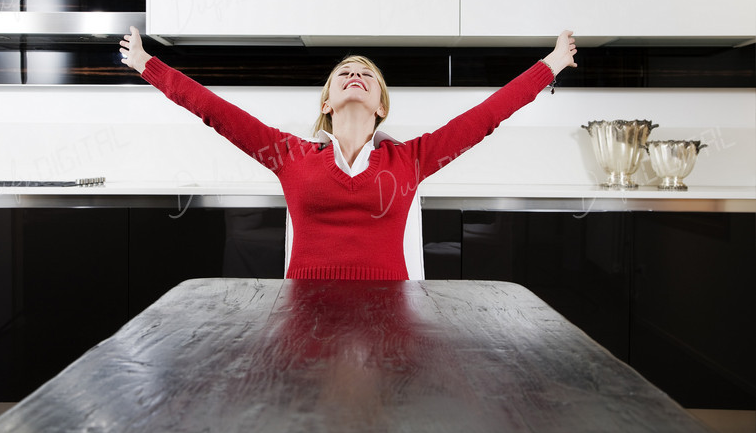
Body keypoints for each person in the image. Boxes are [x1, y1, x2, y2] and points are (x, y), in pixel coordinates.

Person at [119, 27, 577, 280]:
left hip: (391, 322)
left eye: (366, 73)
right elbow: (214, 111)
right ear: (326, 102)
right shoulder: (289, 155)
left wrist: (551, 64)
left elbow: (487, 115)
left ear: (381, 105)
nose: (355, 73)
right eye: (344, 72)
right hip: (305, 321)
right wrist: (147, 64)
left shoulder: (411, 160)